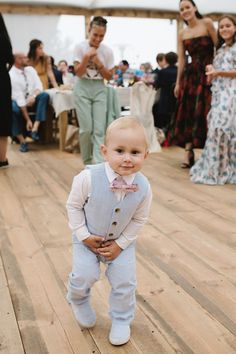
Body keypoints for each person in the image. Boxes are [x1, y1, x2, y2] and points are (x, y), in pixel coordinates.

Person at [66, 117, 152, 346]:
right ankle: (78, 298)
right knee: (85, 274)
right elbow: (73, 206)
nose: (127, 158)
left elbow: (139, 218)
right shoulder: (87, 178)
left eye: (135, 152)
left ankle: (122, 319)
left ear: (146, 155)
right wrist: (83, 235)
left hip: (121, 242)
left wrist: (121, 244)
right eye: (119, 150)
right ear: (105, 151)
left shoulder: (143, 186)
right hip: (87, 237)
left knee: (125, 281)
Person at [168, 0, 217, 168]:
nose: (185, 11)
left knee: (207, 111)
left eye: (187, 7)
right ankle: (188, 151)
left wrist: (217, 70)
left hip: (209, 72)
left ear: (195, 8)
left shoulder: (207, 23)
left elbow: (219, 46)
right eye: (182, 9)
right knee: (190, 112)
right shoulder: (182, 33)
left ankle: (210, 153)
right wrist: (177, 83)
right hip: (190, 76)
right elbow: (181, 59)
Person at [190, 15, 236, 184]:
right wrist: (212, 71)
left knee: (223, 128)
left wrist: (219, 72)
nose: (224, 29)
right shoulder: (221, 49)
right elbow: (215, 76)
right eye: (221, 26)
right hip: (219, 92)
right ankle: (218, 166)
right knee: (216, 128)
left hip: (232, 92)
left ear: (235, 28)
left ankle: (228, 167)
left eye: (228, 26)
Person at [73, 16, 114, 165]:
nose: (98, 39)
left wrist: (98, 63)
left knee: (99, 129)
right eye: (95, 35)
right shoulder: (79, 47)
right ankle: (87, 162)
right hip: (82, 86)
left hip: (99, 87)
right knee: (86, 129)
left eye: (101, 36)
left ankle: (97, 163)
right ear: (89, 31)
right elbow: (78, 72)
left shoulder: (107, 51)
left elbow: (109, 77)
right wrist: (86, 57)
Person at [10, 52, 49, 151]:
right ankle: (22, 141)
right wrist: (28, 120)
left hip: (32, 98)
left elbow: (39, 87)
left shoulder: (30, 70)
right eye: (24, 58)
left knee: (44, 95)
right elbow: (19, 99)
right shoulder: (12, 75)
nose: (27, 59)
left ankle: (35, 129)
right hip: (19, 102)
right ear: (17, 60)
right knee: (13, 108)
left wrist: (33, 96)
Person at [152, 52, 178, 135]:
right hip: (176, 98)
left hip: (165, 99)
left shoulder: (162, 72)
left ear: (166, 60)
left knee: (162, 117)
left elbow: (157, 85)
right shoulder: (179, 71)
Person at [0, 13, 14, 168]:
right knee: (3, 118)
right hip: (3, 80)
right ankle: (2, 159)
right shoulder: (4, 38)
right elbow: (9, 60)